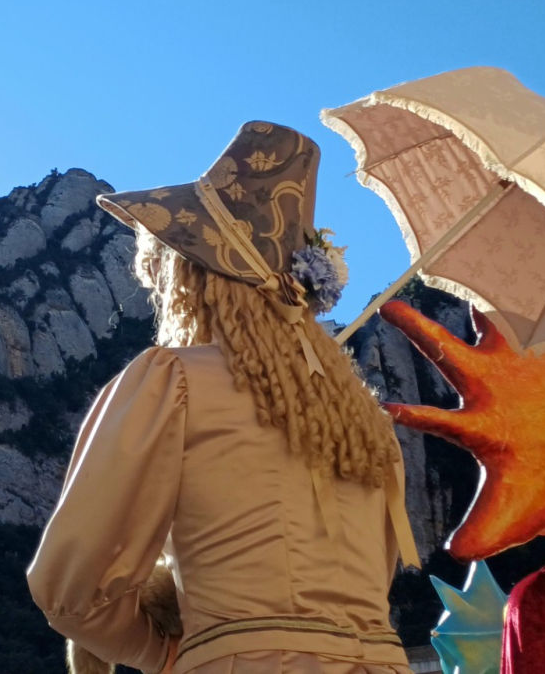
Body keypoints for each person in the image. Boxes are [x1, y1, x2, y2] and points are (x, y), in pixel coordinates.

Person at [27, 121, 419, 674]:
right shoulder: (365, 423)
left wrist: (165, 652)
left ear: (194, 277)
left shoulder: (175, 381)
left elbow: (69, 589)